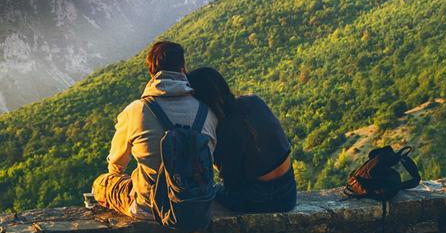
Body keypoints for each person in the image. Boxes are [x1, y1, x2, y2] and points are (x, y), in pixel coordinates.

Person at [92, 41, 218, 219]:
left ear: (151, 71)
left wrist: (119, 176)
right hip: (196, 204)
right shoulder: (207, 112)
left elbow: (116, 162)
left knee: (101, 183)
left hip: (148, 207)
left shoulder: (136, 110)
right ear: (183, 68)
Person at [187, 67, 296, 213]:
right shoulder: (253, 101)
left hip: (263, 199)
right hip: (289, 191)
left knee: (208, 192)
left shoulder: (223, 129)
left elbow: (232, 184)